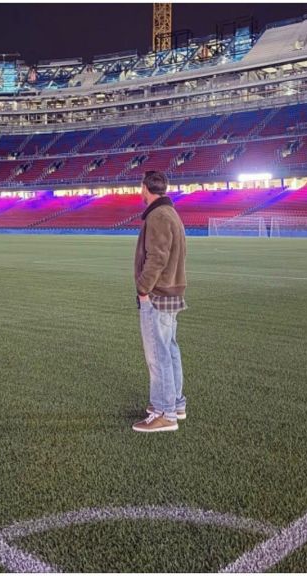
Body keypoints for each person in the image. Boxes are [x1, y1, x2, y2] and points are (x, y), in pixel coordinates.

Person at [132, 170, 187, 433]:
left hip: (158, 294)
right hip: (170, 292)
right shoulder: (169, 212)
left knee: (158, 354)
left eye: (140, 187)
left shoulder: (158, 215)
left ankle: (165, 413)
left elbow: (157, 257)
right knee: (169, 350)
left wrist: (143, 288)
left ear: (145, 188)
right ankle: (175, 404)